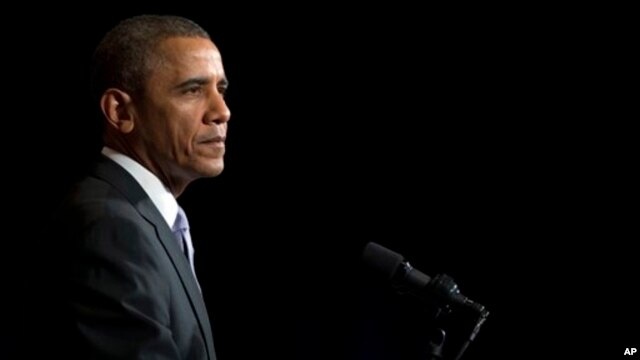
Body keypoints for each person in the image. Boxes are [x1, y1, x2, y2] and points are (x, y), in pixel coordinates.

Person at [32, 14, 230, 359]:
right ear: (121, 111)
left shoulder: (142, 218)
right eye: (193, 90)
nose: (221, 111)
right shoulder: (109, 227)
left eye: (221, 90)